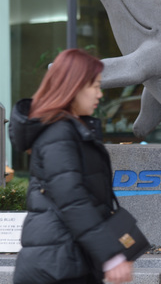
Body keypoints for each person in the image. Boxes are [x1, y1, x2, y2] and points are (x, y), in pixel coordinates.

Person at [9, 49, 141, 284]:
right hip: (55, 267)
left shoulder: (71, 130)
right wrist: (110, 256)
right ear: (74, 87)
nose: (100, 94)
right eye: (95, 86)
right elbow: (72, 199)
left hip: (68, 259)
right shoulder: (58, 133)